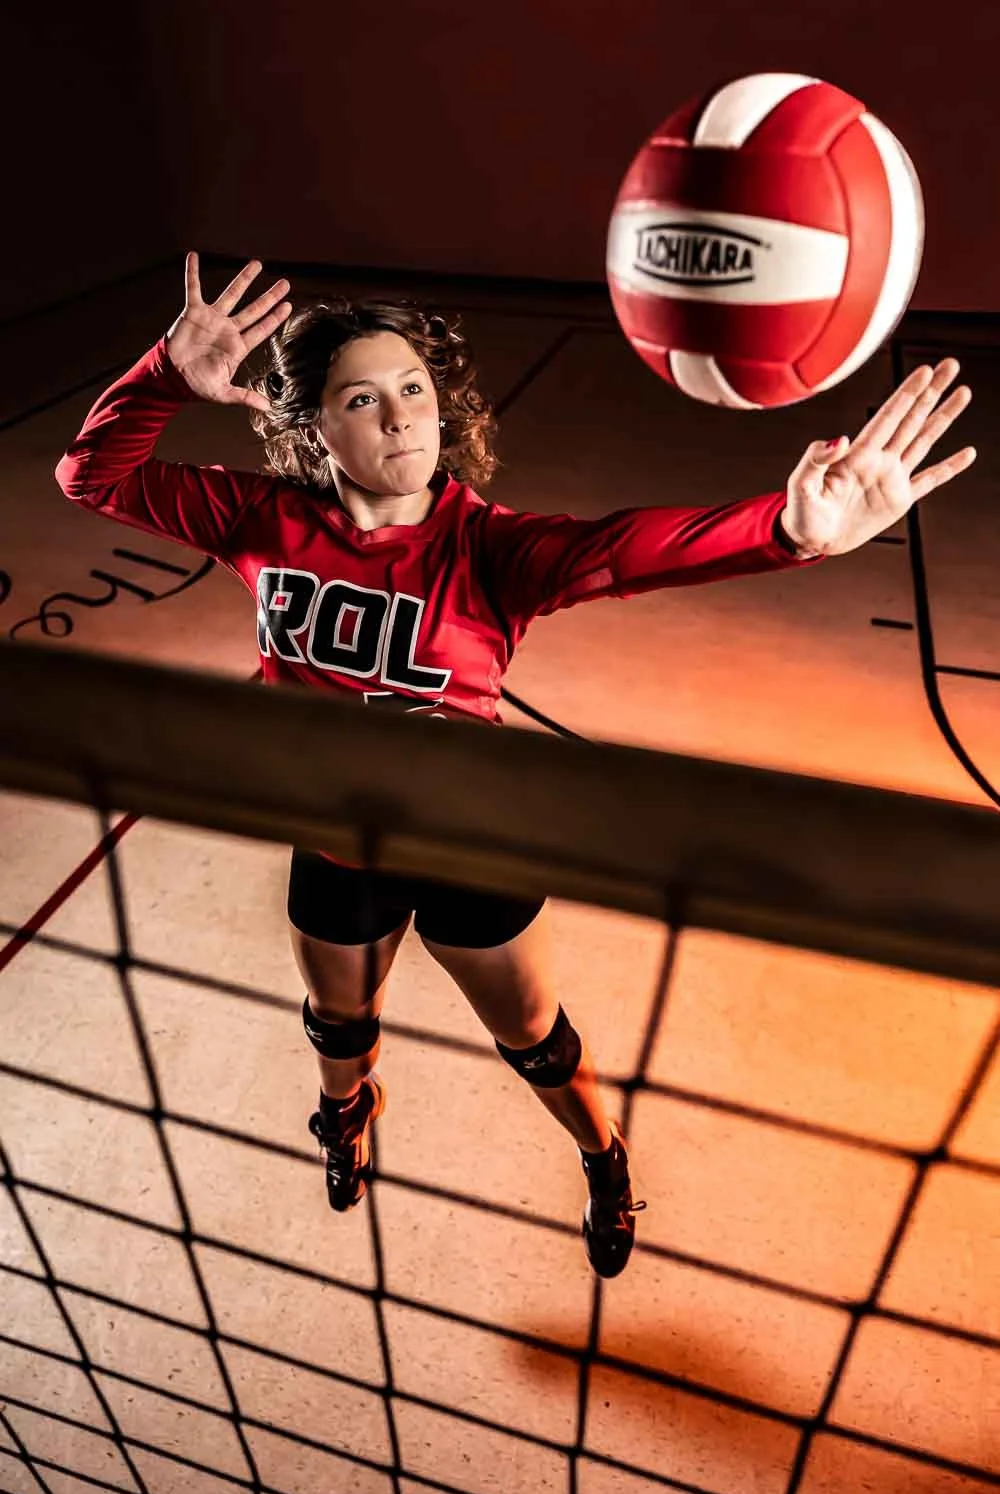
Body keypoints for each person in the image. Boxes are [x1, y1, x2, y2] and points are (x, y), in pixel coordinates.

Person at [54, 254, 975, 1279]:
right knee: (336, 1031)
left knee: (533, 1037)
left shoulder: (490, 550)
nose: (403, 417)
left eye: (415, 390)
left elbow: (629, 549)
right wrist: (162, 379)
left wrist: (788, 529)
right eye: (364, 399)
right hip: (333, 840)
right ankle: (346, 1115)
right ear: (315, 427)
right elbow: (93, 477)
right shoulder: (262, 520)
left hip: (470, 842)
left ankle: (604, 1157)